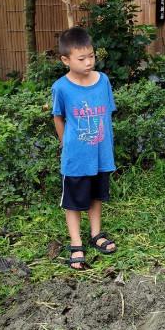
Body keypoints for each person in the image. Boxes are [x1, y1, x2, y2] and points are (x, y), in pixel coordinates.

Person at [52, 26, 117, 270]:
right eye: (82, 58)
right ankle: (76, 242)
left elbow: (107, 114)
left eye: (91, 56)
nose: (89, 62)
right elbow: (58, 117)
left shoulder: (103, 81)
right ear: (65, 60)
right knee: (73, 201)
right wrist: (65, 144)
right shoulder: (61, 87)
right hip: (76, 158)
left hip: (100, 154)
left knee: (96, 195)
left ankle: (96, 233)